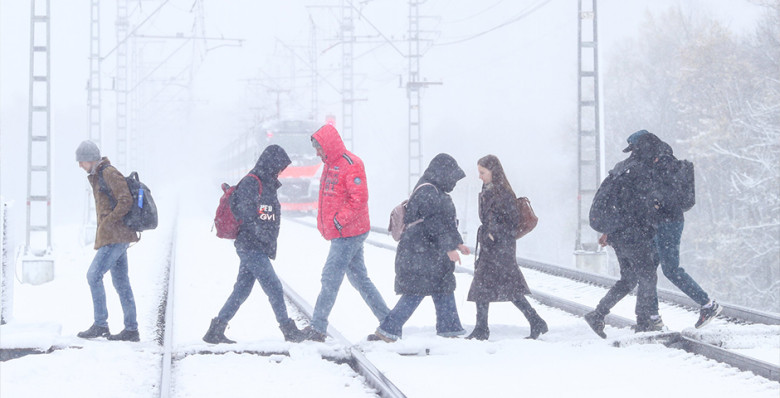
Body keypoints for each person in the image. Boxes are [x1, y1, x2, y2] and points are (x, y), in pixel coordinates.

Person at [203, 145, 305, 344]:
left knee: (242, 290)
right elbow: (245, 212)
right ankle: (288, 329)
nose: (280, 171)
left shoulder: (268, 183)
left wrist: (266, 237)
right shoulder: (252, 182)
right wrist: (260, 234)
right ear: (270, 163)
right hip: (250, 245)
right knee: (274, 287)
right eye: (279, 166)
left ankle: (216, 330)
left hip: (257, 245)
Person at [300, 124, 390, 342]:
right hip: (344, 232)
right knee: (360, 279)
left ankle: (318, 328)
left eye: (319, 148)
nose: (317, 153)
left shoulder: (352, 164)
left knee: (330, 277)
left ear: (328, 145)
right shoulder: (330, 165)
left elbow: (358, 199)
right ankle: (389, 322)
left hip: (349, 232)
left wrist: (338, 222)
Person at [370, 153, 471, 342]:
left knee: (442, 287)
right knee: (416, 291)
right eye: (453, 178)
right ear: (443, 173)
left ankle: (450, 328)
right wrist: (449, 248)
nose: (454, 183)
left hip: (427, 254)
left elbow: (445, 223)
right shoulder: (428, 191)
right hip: (419, 254)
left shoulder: (435, 190)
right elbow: (433, 225)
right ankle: (388, 330)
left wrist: (457, 243)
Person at [584, 130, 664, 338]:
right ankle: (644, 322)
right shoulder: (640, 171)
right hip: (633, 235)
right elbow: (639, 208)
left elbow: (616, 205)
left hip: (619, 234)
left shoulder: (621, 169)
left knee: (628, 279)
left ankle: (598, 313)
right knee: (647, 276)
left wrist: (609, 232)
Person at [643, 131, 722, 328]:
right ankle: (652, 315)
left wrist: (655, 201)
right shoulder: (666, 163)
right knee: (648, 267)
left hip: (667, 224)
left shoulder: (663, 165)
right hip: (665, 223)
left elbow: (666, 198)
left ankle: (707, 303)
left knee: (670, 269)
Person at [465, 155, 548, 341]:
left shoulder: (503, 193)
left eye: (482, 172)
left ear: (493, 171)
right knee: (498, 287)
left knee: (500, 287)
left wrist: (493, 233)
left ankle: (483, 329)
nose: (479, 176)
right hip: (493, 247)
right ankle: (534, 321)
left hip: (500, 248)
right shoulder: (488, 190)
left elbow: (511, 222)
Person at [75, 140, 141, 342]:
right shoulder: (99, 175)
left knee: (93, 275)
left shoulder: (108, 173)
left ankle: (100, 324)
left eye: (81, 161)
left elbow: (126, 199)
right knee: (121, 282)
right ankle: (131, 329)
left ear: (90, 159)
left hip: (115, 236)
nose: (80, 166)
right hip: (116, 236)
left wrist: (109, 222)